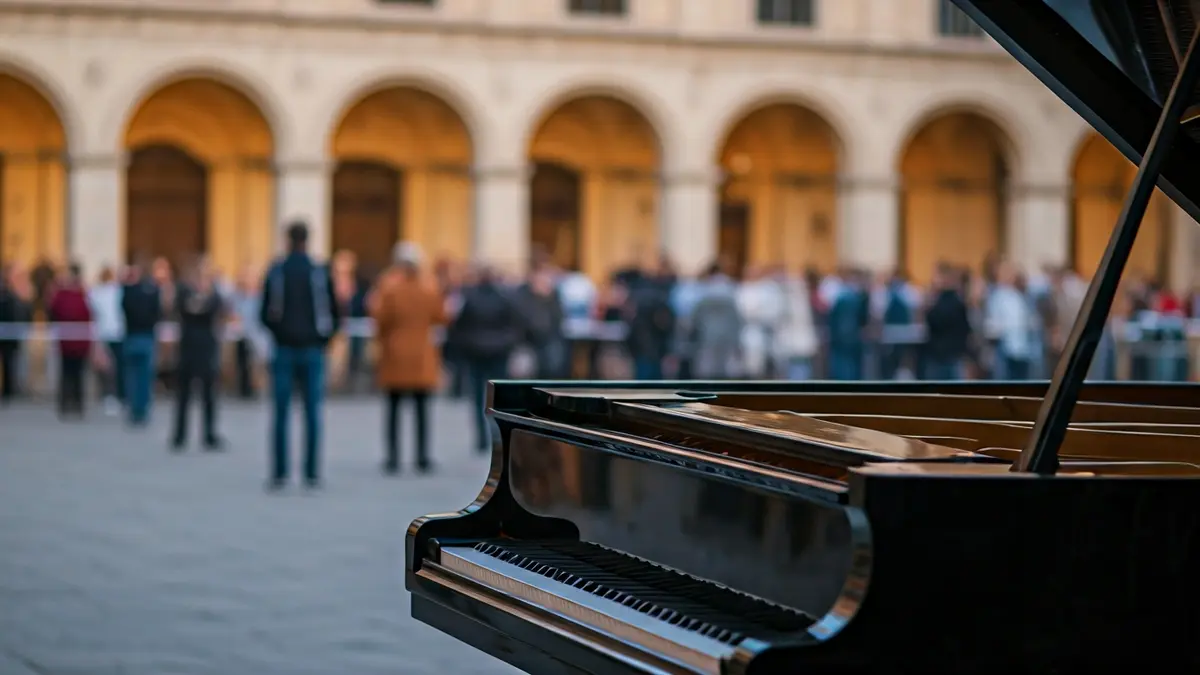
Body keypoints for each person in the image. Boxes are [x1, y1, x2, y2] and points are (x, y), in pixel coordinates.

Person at [259, 221, 341, 490]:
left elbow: (264, 312)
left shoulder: (277, 270)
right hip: (312, 348)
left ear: (287, 239)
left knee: (280, 412)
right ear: (308, 240)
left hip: (283, 348)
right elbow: (335, 311)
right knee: (312, 412)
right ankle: (311, 472)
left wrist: (278, 333)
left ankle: (280, 473)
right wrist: (324, 340)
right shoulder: (319, 271)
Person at [369, 242, 447, 475]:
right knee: (422, 410)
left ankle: (393, 458)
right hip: (422, 356)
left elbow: (379, 317)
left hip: (395, 354)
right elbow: (441, 317)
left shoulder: (388, 288)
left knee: (393, 410)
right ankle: (422, 457)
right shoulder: (429, 287)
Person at [450, 263, 521, 453]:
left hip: (475, 352)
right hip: (498, 352)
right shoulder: (504, 298)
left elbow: (459, 326)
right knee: (498, 397)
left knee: (476, 397)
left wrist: (464, 346)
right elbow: (514, 324)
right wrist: (507, 344)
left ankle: (481, 436)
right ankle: (497, 433)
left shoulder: (469, 298)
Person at [171, 259, 226, 451]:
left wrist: (198, 305)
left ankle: (209, 434)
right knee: (183, 394)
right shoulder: (183, 291)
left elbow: (213, 308)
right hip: (188, 348)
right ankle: (179, 435)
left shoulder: (215, 294)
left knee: (209, 395)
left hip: (206, 349)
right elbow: (183, 308)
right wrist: (197, 305)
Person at [48, 263, 92, 419]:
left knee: (76, 373)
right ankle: (67, 403)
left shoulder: (83, 293)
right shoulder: (63, 294)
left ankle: (76, 404)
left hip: (79, 342)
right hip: (67, 341)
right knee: (67, 373)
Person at [121, 261, 162, 426]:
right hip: (145, 336)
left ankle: (134, 409)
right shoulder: (151, 293)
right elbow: (157, 312)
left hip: (132, 336)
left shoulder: (128, 292)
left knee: (133, 376)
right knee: (144, 376)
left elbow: (123, 309)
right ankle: (142, 409)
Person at [88, 266, 125, 415]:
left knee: (106, 369)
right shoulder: (118, 291)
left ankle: (108, 396)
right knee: (118, 367)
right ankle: (120, 396)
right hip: (117, 332)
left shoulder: (96, 293)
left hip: (103, 333)